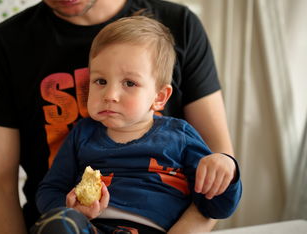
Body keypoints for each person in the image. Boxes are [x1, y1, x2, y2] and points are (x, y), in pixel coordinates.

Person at [0, 0, 237, 233]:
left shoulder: (181, 26)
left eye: (130, 83)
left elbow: (217, 170)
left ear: (160, 96)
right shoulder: (2, 48)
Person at [33, 16, 242, 234]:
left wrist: (227, 169)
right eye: (101, 81)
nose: (110, 95)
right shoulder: (83, 134)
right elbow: (50, 190)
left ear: (159, 97)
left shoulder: (180, 136)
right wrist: (70, 209)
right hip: (92, 227)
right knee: (57, 224)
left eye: (130, 83)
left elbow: (215, 206)